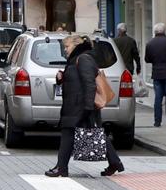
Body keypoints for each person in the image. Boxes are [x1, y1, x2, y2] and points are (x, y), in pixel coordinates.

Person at [45, 34, 123, 178]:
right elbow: (76, 80)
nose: (65, 50)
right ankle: (115, 163)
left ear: (75, 45)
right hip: (76, 104)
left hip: (81, 105)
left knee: (70, 133)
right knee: (95, 133)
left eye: (67, 47)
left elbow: (89, 84)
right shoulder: (77, 59)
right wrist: (61, 78)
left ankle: (61, 168)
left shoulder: (84, 59)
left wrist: (88, 107)